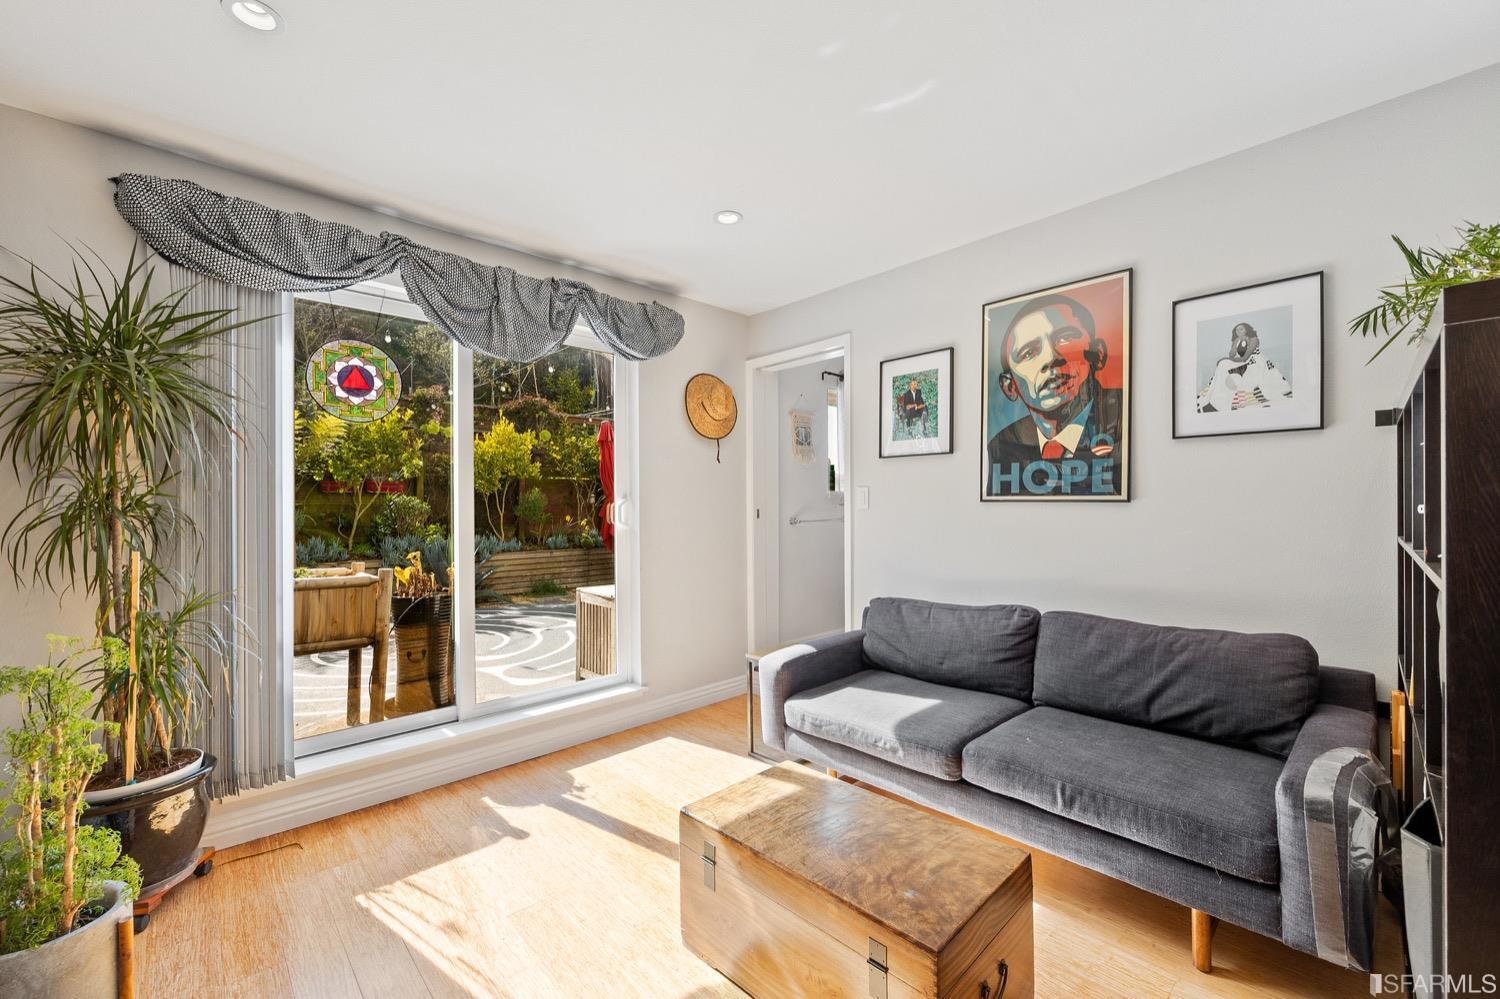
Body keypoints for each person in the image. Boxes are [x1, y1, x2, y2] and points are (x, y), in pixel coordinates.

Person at [985, 293, 1123, 497]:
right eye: (1028, 352)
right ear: (1009, 386)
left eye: (1065, 338)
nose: (1050, 358)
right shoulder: (1002, 444)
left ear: (1098, 354)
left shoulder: (1123, 421)